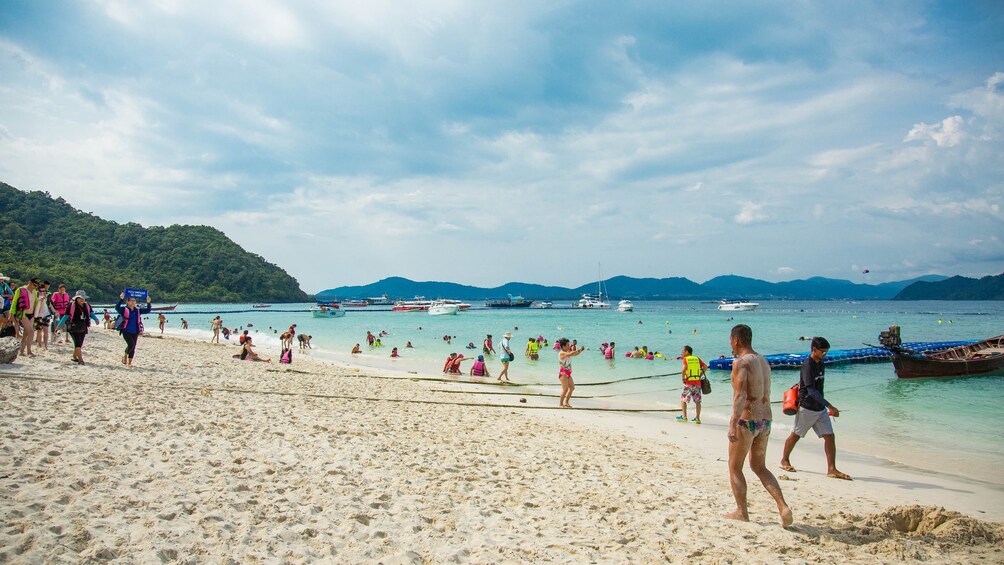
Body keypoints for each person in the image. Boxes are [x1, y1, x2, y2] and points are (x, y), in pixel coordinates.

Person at [726, 324, 793, 527]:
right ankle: (783, 507)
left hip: (747, 421)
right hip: (766, 420)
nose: (730, 343)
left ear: (736, 340)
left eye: (731, 340)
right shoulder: (763, 361)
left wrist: (732, 423)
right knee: (759, 467)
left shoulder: (741, 363)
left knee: (734, 467)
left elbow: (740, 395)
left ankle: (742, 511)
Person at [779, 337, 851, 480]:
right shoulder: (808, 365)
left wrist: (824, 406)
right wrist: (830, 406)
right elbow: (811, 390)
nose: (825, 354)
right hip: (807, 408)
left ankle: (832, 469)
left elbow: (820, 388)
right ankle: (784, 460)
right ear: (814, 350)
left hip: (820, 409)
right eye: (822, 351)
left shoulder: (821, 363)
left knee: (829, 437)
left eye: (826, 352)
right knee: (795, 435)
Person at [115, 291, 152, 367]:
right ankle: (125, 355)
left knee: (133, 346)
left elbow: (148, 310)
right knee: (131, 344)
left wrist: (148, 303)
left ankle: (129, 363)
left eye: (134, 300)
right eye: (131, 300)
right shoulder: (124, 309)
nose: (133, 302)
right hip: (126, 331)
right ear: (127, 302)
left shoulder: (137, 310)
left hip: (135, 331)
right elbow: (117, 308)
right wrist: (121, 299)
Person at [63, 290, 98, 364]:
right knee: (78, 343)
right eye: (80, 298)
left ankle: (74, 357)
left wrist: (96, 319)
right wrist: (59, 326)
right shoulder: (71, 305)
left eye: (83, 298)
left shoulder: (87, 306)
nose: (82, 299)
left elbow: (91, 313)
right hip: (73, 327)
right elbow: (66, 316)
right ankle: (80, 360)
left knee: (80, 343)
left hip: (83, 326)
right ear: (76, 298)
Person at [677, 345, 708, 424]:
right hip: (697, 383)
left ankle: (684, 417)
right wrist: (699, 376)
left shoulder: (686, 359)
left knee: (683, 399)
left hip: (689, 383)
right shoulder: (697, 358)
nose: (682, 353)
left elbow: (683, 369)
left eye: (683, 352)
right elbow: (705, 367)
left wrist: (683, 378)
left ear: (687, 352)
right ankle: (697, 418)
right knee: (698, 401)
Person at [11, 278, 41, 357]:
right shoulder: (21, 290)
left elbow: (35, 302)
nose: (35, 287)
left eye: (37, 286)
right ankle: (29, 351)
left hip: (31, 314)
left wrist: (41, 299)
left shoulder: (34, 291)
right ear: (30, 282)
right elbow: (14, 301)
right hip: (22, 314)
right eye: (34, 285)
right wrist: (12, 313)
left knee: (26, 333)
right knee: (31, 331)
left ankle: (23, 351)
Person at [557, 338, 585, 408]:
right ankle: (560, 404)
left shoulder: (567, 352)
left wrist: (580, 351)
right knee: (565, 389)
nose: (569, 346)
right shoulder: (562, 353)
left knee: (572, 388)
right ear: (563, 346)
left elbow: (574, 354)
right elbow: (572, 353)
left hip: (568, 373)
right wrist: (579, 349)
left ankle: (566, 402)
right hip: (563, 373)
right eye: (567, 345)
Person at [33, 282, 52, 351]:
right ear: (38, 291)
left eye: (44, 291)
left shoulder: (45, 297)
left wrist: (55, 311)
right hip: (38, 315)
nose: (43, 292)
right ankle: (39, 344)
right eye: (41, 291)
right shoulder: (35, 297)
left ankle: (45, 345)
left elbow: (49, 305)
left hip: (46, 314)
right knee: (39, 331)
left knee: (46, 330)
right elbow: (36, 308)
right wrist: (40, 300)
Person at [0, 272, 14, 336]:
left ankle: (3, 332)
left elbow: (11, 293)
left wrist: (8, 295)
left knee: (7, 318)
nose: (1, 280)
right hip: (2, 302)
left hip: (5, 303)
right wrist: (6, 295)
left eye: (2, 279)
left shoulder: (5, 285)